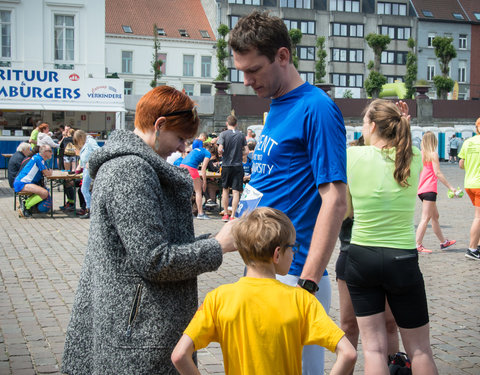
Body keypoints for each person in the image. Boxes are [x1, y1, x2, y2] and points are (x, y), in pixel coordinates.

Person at [62, 85, 236, 375]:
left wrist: (216, 239)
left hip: (134, 327)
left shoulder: (133, 166)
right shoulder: (130, 170)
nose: (183, 148)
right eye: (181, 138)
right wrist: (219, 246)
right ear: (159, 125)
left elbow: (157, 247)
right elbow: (155, 260)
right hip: (137, 336)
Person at [230, 11, 347, 373]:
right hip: (264, 273)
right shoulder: (278, 105)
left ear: (283, 56)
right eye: (242, 72)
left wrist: (307, 284)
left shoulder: (317, 108)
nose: (247, 81)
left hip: (295, 277)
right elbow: (263, 189)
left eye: (253, 70)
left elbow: (335, 199)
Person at [172, 207, 357, 375]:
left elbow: (179, 355)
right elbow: (348, 354)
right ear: (277, 254)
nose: (294, 253)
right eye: (292, 247)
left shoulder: (218, 298)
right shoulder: (301, 300)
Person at [345, 99, 437, 374]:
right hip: (402, 257)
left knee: (373, 349)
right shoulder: (413, 157)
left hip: (362, 255)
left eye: (363, 124)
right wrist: (403, 121)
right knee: (419, 349)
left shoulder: (352, 157)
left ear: (372, 126)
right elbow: (403, 143)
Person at [415, 131, 457, 253]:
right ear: (433, 142)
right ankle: (417, 244)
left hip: (422, 190)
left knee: (435, 216)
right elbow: (438, 173)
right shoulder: (433, 154)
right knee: (425, 218)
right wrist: (450, 187)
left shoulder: (420, 154)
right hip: (430, 190)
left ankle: (443, 242)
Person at [217, 113, 248, 222]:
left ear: (227, 123)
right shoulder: (241, 134)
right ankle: (233, 215)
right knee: (236, 192)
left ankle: (225, 214)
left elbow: (220, 149)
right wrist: (240, 154)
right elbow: (247, 151)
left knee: (225, 190)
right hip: (238, 166)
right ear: (236, 124)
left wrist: (222, 152)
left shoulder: (223, 134)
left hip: (226, 165)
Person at [459, 117, 480, 260]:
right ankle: (472, 249)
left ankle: (477, 246)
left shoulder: (468, 142)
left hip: (469, 184)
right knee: (478, 217)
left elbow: (461, 164)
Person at [13, 145, 53, 218]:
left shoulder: (41, 159)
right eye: (50, 151)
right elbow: (47, 173)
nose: (52, 153)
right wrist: (49, 172)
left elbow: (48, 171)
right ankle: (25, 206)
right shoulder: (38, 159)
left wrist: (49, 171)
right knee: (44, 193)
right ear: (44, 152)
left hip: (25, 182)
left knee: (44, 192)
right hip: (22, 183)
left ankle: (27, 205)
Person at [180, 140, 212, 219]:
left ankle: (186, 212)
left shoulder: (193, 151)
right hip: (191, 168)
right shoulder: (207, 153)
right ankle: (200, 213)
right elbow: (203, 169)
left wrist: (201, 181)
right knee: (198, 191)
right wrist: (205, 182)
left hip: (182, 167)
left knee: (188, 191)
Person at [73, 130, 99, 219]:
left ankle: (90, 210)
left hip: (89, 168)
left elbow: (97, 151)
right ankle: (91, 209)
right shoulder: (86, 143)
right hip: (85, 168)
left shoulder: (90, 141)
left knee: (84, 189)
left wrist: (91, 162)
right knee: (84, 189)